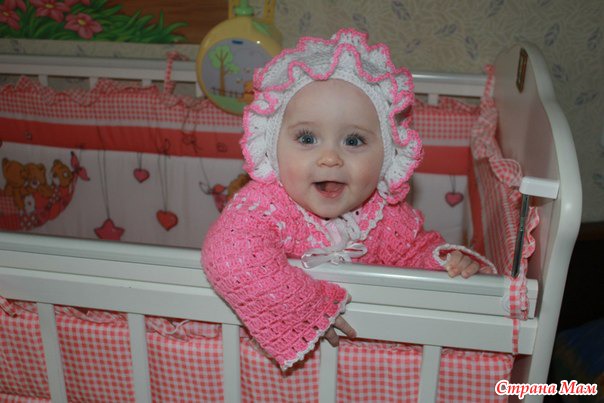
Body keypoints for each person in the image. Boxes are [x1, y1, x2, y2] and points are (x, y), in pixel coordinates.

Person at [202, 28, 495, 371]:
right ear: (271, 145)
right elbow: (229, 255)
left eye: (353, 141)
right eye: (307, 138)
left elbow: (412, 252)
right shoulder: (263, 206)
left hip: (361, 371)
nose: (330, 158)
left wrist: (446, 262)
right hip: (264, 370)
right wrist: (307, 308)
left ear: (387, 155)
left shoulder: (386, 214)